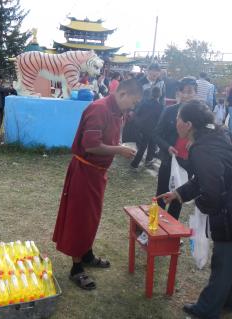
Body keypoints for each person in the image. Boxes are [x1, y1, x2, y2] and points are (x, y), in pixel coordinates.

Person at [158, 100, 232, 319]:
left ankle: (207, 309)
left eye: (178, 118)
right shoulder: (215, 135)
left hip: (231, 208)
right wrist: (179, 194)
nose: (176, 122)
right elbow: (204, 179)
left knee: (224, 260)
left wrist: (201, 209)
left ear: (188, 124)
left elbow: (212, 190)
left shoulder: (203, 147)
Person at [52, 79, 143, 290]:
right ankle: (76, 268)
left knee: (92, 216)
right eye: (133, 101)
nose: (133, 106)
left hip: (98, 173)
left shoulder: (117, 111)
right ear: (122, 94)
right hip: (84, 171)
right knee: (80, 218)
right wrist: (119, 150)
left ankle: (87, 253)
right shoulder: (99, 109)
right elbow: (91, 146)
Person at [153, 77, 197, 220]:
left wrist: (195, 141)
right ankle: (155, 228)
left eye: (190, 92)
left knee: (178, 197)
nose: (187, 95)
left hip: (187, 163)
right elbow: (157, 134)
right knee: (161, 194)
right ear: (178, 93)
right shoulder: (170, 111)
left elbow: (208, 133)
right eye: (184, 92)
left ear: (195, 93)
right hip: (169, 160)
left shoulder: (200, 113)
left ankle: (171, 233)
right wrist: (168, 147)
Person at [130, 86, 163, 169]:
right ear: (160, 95)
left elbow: (138, 112)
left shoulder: (145, 102)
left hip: (141, 127)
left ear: (151, 93)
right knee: (150, 145)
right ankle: (146, 161)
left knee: (144, 145)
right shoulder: (160, 106)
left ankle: (136, 163)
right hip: (152, 128)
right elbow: (160, 120)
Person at [0, 72, 17, 142]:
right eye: (0, 79)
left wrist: (12, 90)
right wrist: (12, 89)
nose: (1, 80)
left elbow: (4, 91)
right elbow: (4, 90)